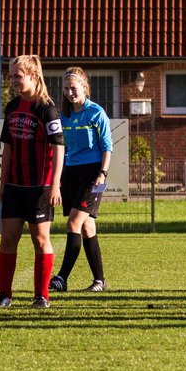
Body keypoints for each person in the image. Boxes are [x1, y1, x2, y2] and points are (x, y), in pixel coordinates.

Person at [0, 54, 66, 309]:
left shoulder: (47, 108)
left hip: (39, 187)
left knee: (40, 240)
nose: (12, 80)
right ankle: (4, 296)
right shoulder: (12, 107)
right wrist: (3, 183)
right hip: (14, 186)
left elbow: (59, 148)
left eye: (17, 76)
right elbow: (8, 147)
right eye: (11, 76)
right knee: (8, 239)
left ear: (33, 76)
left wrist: (55, 184)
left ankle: (41, 296)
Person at [50, 66, 112, 293]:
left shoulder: (96, 112)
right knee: (87, 226)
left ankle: (62, 278)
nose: (69, 92)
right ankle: (99, 281)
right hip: (71, 173)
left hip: (95, 176)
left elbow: (107, 147)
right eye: (66, 88)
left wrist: (102, 174)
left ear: (84, 87)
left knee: (73, 223)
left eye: (73, 88)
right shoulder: (63, 115)